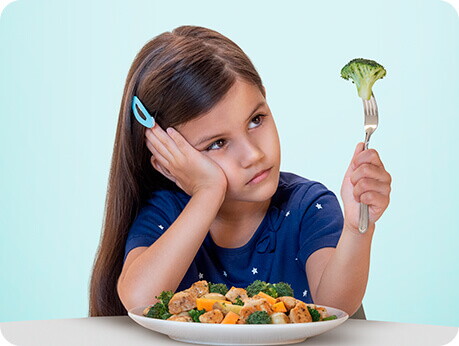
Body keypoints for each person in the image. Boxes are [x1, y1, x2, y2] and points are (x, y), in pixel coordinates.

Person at [89, 25, 391, 318]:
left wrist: (356, 229)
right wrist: (207, 192)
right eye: (217, 143)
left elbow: (335, 305)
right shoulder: (167, 214)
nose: (253, 154)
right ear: (167, 161)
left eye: (256, 120)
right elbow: (139, 299)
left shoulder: (307, 206)